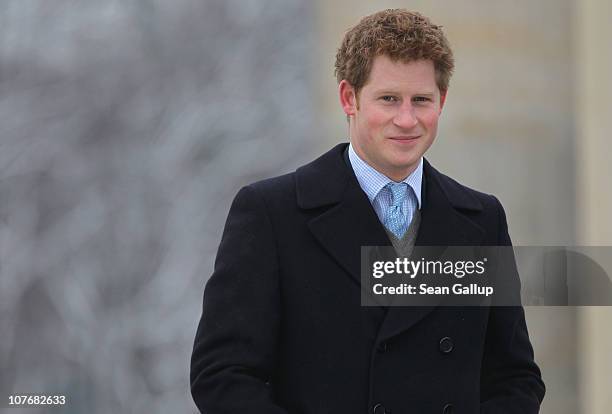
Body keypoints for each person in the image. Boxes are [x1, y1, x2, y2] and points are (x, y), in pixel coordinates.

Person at [190, 9, 545, 414]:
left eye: (422, 100)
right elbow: (221, 376)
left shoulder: (482, 219)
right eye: (389, 98)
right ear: (349, 98)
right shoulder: (271, 214)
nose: (407, 119)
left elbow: (515, 379)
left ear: (442, 101)